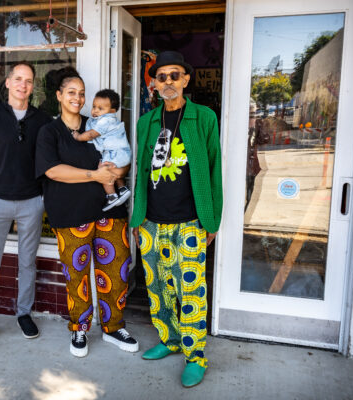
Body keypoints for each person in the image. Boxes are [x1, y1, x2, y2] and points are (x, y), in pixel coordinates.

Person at [131, 51, 223, 387]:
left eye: (175, 75)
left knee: (191, 291)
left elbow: (214, 170)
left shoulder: (203, 117)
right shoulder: (147, 122)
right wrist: (138, 218)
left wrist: (211, 221)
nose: (168, 81)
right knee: (157, 288)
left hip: (190, 222)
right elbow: (141, 173)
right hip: (151, 223)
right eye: (162, 77)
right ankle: (169, 340)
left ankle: (195, 355)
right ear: (154, 84)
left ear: (186, 80)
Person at [36, 67, 139, 358]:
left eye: (82, 93)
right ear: (58, 95)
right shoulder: (50, 131)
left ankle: (114, 327)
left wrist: (116, 171)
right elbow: (53, 170)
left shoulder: (98, 123)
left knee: (116, 272)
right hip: (71, 215)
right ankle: (79, 328)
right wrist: (94, 175)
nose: (78, 98)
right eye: (71, 92)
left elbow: (121, 156)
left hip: (110, 212)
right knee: (76, 277)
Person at [0, 62, 52, 350]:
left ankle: (24, 313)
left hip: (31, 202)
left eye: (28, 80)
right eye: (18, 79)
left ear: (33, 86)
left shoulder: (42, 120)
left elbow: (48, 163)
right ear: (7, 83)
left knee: (27, 262)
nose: (23, 85)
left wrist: (43, 198)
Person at [72, 89, 132, 211]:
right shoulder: (109, 120)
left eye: (100, 108)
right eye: (94, 106)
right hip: (121, 153)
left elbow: (91, 135)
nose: (95, 111)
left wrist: (78, 137)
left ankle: (111, 196)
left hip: (114, 152)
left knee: (104, 171)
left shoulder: (105, 120)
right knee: (114, 170)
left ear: (112, 111)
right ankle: (122, 188)